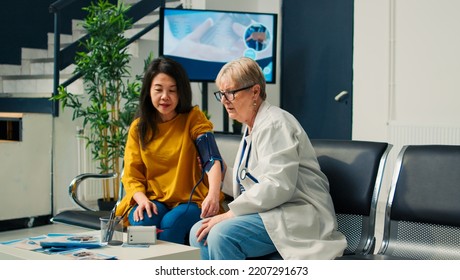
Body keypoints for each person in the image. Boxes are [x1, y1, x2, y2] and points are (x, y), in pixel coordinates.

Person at [189, 57, 347, 259]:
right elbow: (251, 184)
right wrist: (222, 171)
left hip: (295, 214)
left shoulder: (275, 124)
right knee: (199, 233)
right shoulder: (252, 127)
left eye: (231, 93)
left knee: (221, 235)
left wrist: (230, 214)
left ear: (255, 91)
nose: (224, 100)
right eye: (221, 93)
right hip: (269, 211)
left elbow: (277, 186)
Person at [115, 57, 225, 245]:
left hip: (191, 201)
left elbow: (211, 159)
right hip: (153, 198)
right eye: (158, 90)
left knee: (171, 224)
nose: (165, 96)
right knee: (143, 219)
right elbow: (132, 175)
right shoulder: (138, 128)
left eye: (172, 90)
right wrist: (141, 200)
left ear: (181, 92)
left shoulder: (193, 118)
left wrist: (213, 195)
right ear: (148, 91)